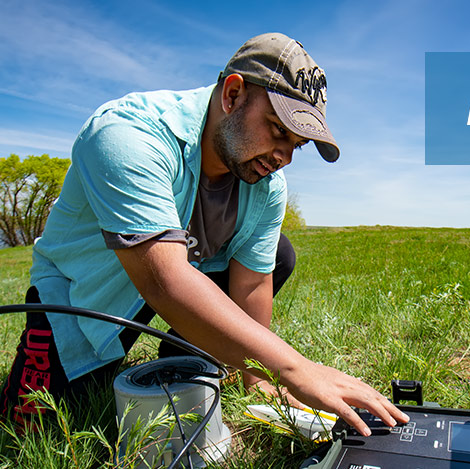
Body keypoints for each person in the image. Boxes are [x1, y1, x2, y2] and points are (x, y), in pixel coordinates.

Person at [0, 32, 408, 437]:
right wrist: (295, 369)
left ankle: (187, 359)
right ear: (232, 95)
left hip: (176, 275)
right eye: (278, 129)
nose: (283, 156)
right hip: (86, 294)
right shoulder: (127, 134)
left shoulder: (267, 185)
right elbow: (165, 281)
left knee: (279, 254)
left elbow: (252, 282)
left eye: (296, 145)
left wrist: (262, 377)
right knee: (31, 430)